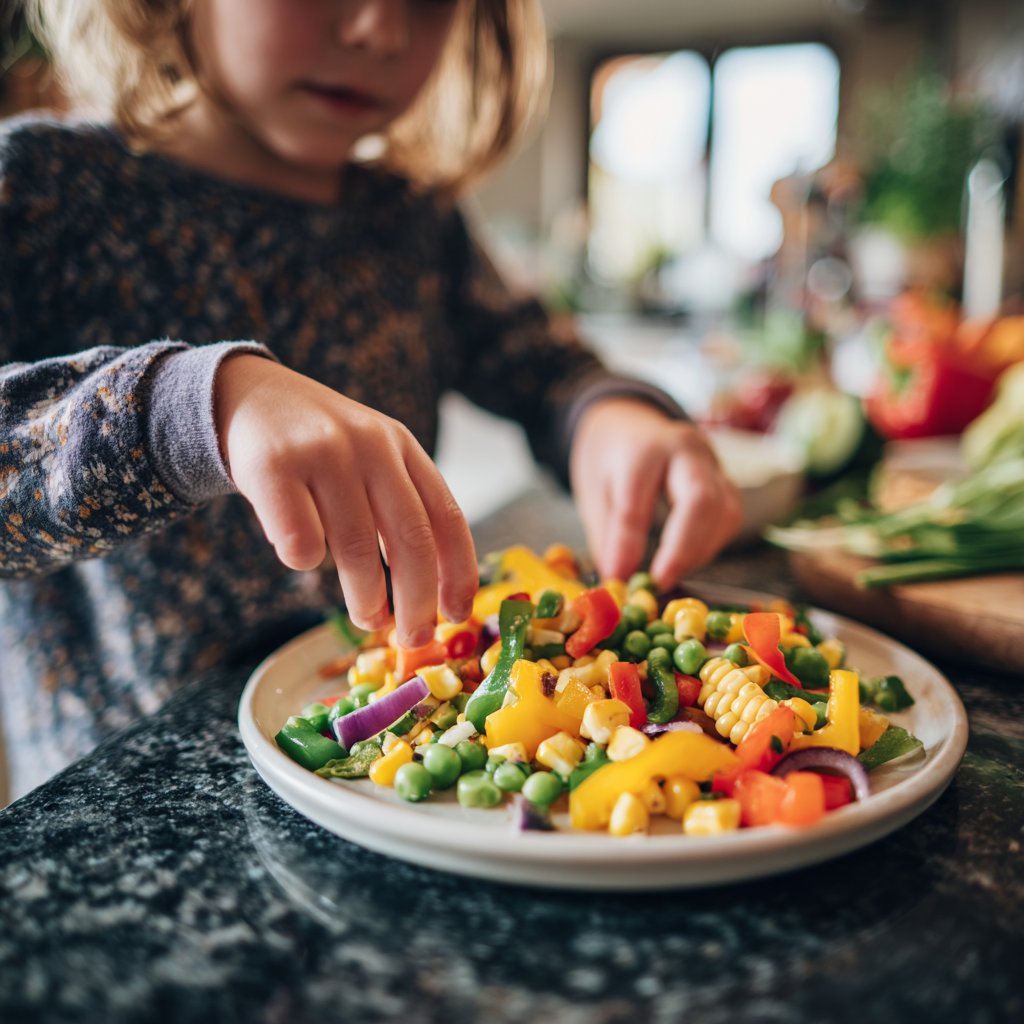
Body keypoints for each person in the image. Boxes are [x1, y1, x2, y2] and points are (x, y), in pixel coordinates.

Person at [0, 0, 741, 800]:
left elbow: (541, 368)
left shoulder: (414, 222)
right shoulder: (40, 187)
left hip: (395, 784)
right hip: (123, 805)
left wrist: (606, 417)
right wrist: (187, 411)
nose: (381, 31)